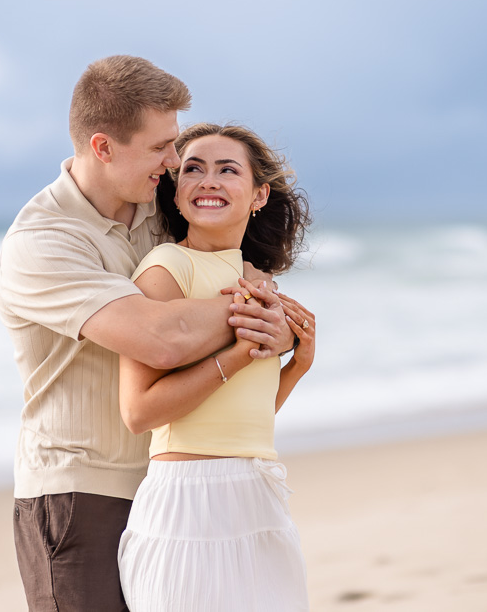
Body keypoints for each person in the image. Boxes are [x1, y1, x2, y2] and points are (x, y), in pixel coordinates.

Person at [0, 56, 299, 611]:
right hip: (79, 492)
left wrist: (283, 331)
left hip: (168, 485)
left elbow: (223, 260)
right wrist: (258, 302)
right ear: (104, 147)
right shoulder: (42, 242)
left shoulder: (159, 213)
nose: (175, 160)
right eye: (161, 147)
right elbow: (163, 338)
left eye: (173, 143)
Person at [117, 123, 315, 611]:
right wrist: (239, 353)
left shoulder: (260, 283)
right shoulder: (166, 269)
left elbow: (243, 417)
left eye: (228, 170)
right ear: (177, 192)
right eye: (193, 170)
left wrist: (298, 365)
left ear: (258, 194)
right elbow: (140, 411)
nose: (209, 180)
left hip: (257, 494)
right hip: (186, 502)